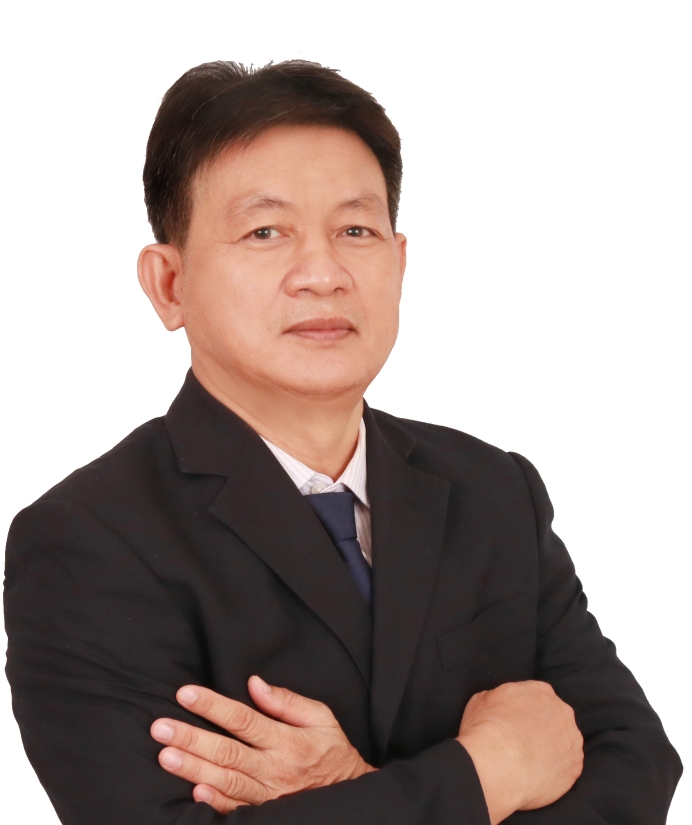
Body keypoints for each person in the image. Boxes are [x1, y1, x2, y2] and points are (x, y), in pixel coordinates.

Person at [4, 60, 681, 825]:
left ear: (400, 261)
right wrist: (485, 771)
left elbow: (638, 764)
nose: (322, 273)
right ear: (169, 284)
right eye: (265, 231)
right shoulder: (88, 541)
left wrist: (353, 788)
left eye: (355, 230)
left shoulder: (493, 490)